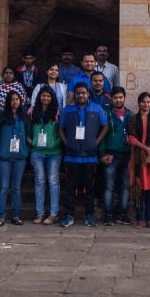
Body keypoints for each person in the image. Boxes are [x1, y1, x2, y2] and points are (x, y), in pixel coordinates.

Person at [58, 82, 109, 227]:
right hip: (71, 156)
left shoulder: (96, 108)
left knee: (89, 188)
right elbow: (60, 128)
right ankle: (69, 215)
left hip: (90, 156)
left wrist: (96, 142)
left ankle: (89, 215)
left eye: (83, 93)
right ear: (75, 94)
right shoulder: (67, 110)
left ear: (88, 94)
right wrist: (66, 142)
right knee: (70, 188)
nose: (81, 95)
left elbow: (105, 126)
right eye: (78, 93)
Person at [0, 90, 29, 226]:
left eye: (17, 99)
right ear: (8, 101)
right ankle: (1, 216)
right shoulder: (1, 116)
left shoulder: (24, 117)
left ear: (21, 101)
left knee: (16, 187)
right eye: (12, 99)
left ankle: (16, 216)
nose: (15, 102)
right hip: (4, 157)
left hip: (19, 157)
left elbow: (29, 135)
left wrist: (26, 149)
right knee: (3, 187)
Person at [27, 85, 62, 224]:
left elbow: (62, 131)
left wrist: (56, 142)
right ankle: (40, 213)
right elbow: (27, 130)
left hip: (54, 153)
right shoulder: (32, 111)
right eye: (43, 95)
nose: (45, 98)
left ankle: (54, 214)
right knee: (39, 181)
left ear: (52, 98)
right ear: (39, 97)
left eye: (48, 96)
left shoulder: (57, 112)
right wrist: (32, 142)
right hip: (37, 152)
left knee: (53, 181)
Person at [99, 86, 133, 225]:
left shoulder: (131, 115)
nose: (118, 100)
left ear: (124, 98)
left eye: (120, 97)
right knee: (109, 186)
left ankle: (122, 215)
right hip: (111, 155)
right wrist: (102, 154)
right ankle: (108, 215)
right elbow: (101, 135)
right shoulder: (106, 115)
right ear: (111, 99)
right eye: (115, 98)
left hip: (127, 155)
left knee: (124, 187)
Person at [127, 91, 150, 228]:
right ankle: (139, 218)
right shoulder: (133, 119)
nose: (146, 104)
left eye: (148, 102)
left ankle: (149, 219)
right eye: (143, 101)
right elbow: (131, 138)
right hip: (137, 158)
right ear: (139, 103)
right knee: (138, 188)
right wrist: (146, 149)